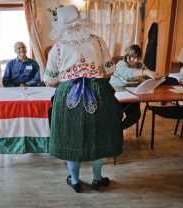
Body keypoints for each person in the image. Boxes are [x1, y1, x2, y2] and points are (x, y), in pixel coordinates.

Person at [43, 5, 123, 193]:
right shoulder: (98, 41)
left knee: (71, 139)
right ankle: (97, 179)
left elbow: (50, 81)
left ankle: (76, 181)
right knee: (98, 137)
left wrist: (67, 78)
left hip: (68, 95)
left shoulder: (57, 48)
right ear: (81, 19)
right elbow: (110, 70)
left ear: (60, 24)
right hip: (98, 92)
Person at [110, 45, 161, 130]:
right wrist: (145, 72)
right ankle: (115, 134)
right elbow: (127, 72)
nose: (136, 60)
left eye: (138, 58)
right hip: (115, 95)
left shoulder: (139, 65)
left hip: (131, 96)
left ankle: (117, 131)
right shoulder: (121, 64)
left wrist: (156, 76)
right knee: (117, 114)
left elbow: (148, 76)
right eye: (133, 58)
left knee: (135, 115)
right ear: (127, 56)